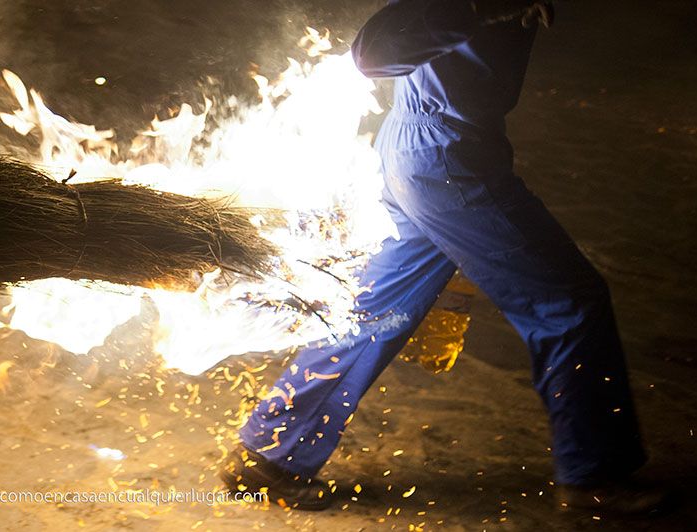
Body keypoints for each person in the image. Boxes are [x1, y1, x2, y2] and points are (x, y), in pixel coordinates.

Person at [222, 0, 665, 513]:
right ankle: (596, 476)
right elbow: (374, 50)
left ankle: (269, 454)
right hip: (448, 160)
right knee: (569, 304)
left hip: (425, 152)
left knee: (377, 309)